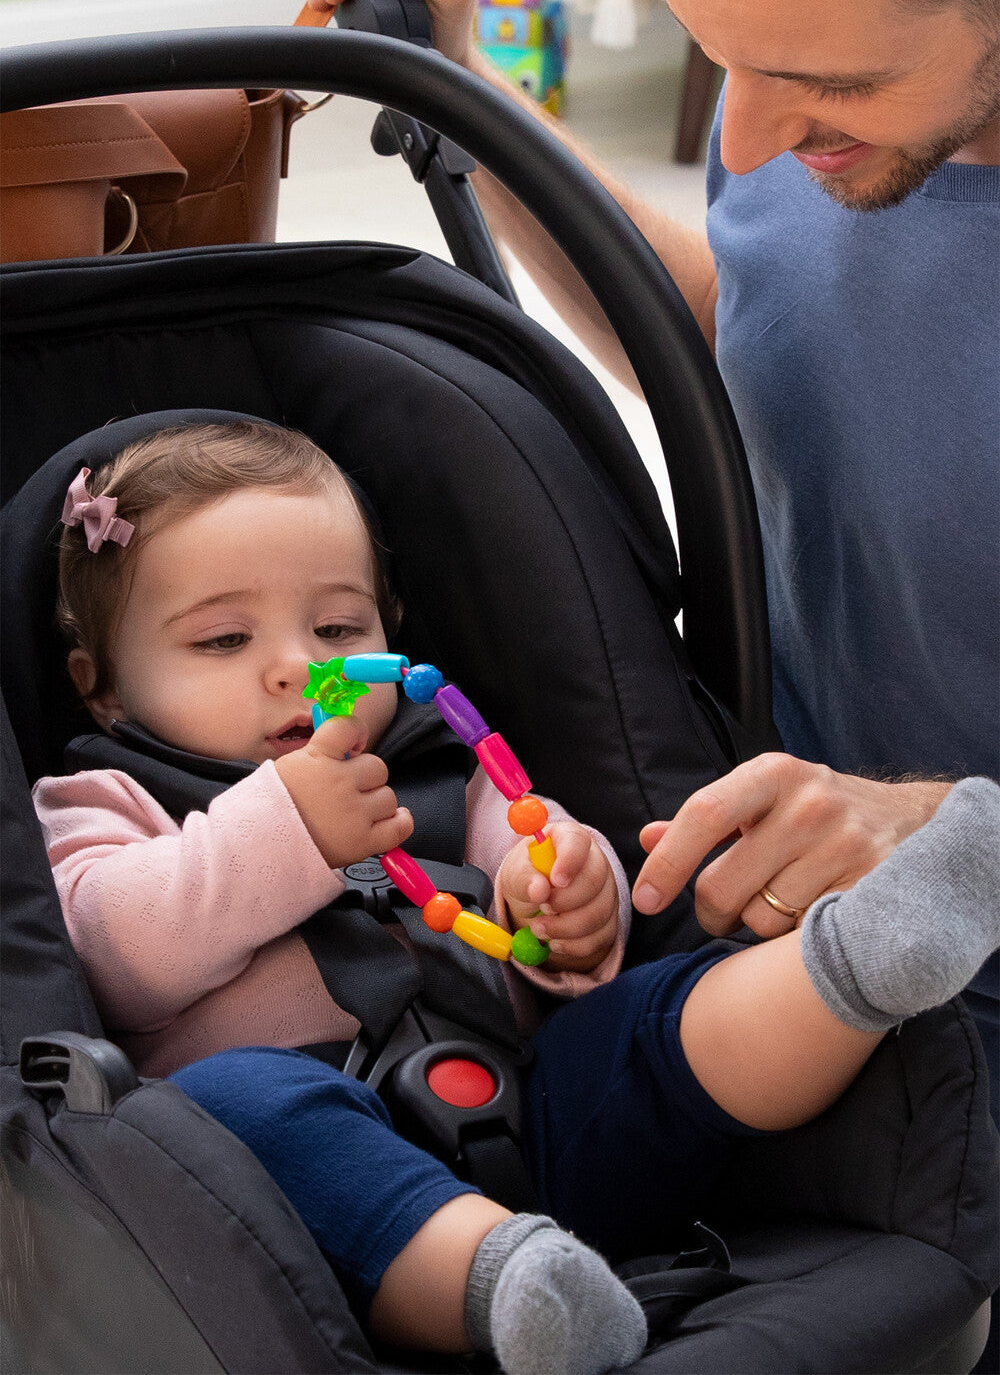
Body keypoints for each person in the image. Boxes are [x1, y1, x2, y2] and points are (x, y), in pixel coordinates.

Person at [35, 419, 999, 1374]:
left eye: (337, 628)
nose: (302, 667)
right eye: (223, 639)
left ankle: (861, 959)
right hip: (311, 1197)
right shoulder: (103, 802)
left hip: (537, 1107)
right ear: (104, 689)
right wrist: (285, 829)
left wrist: (572, 900)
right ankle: (515, 1289)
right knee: (227, 1105)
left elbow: (552, 895)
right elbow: (119, 952)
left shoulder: (443, 775)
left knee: (662, 1013)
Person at [291, 0, 999, 1099]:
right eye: (718, 53)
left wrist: (952, 829)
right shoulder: (812, 75)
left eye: (833, 87)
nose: (744, 143)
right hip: (770, 932)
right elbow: (751, 328)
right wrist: (456, 74)